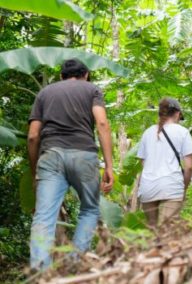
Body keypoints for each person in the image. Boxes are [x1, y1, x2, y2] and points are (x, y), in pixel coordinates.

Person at [28, 59, 113, 270]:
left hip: (51, 156)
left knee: (44, 216)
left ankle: (40, 272)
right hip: (84, 154)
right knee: (90, 210)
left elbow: (32, 136)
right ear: (85, 74)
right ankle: (75, 264)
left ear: (61, 76)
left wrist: (34, 170)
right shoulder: (92, 89)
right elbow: (102, 123)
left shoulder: (45, 93)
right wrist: (109, 166)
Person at [136, 98, 192, 227]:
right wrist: (183, 188)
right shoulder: (182, 132)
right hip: (171, 186)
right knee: (166, 230)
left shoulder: (147, 133)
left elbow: (142, 164)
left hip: (148, 187)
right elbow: (189, 167)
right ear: (178, 113)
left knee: (152, 229)